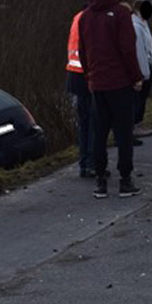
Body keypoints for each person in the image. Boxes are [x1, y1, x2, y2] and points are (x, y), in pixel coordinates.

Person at [79, 0, 145, 198]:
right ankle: (125, 180)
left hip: (97, 84)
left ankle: (100, 180)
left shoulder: (86, 16)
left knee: (99, 133)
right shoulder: (120, 14)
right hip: (119, 83)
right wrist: (136, 77)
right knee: (124, 132)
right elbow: (128, 49)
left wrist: (89, 75)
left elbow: (82, 51)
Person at [64, 10, 95, 178]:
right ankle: (91, 163)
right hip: (86, 76)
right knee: (93, 122)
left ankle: (84, 162)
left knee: (84, 123)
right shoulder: (90, 18)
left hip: (74, 75)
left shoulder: (78, 17)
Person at [132, 0, 152, 141]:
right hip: (143, 67)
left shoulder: (143, 25)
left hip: (148, 65)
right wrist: (144, 71)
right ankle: (136, 125)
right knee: (139, 99)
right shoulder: (136, 26)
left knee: (142, 99)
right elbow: (139, 50)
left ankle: (139, 123)